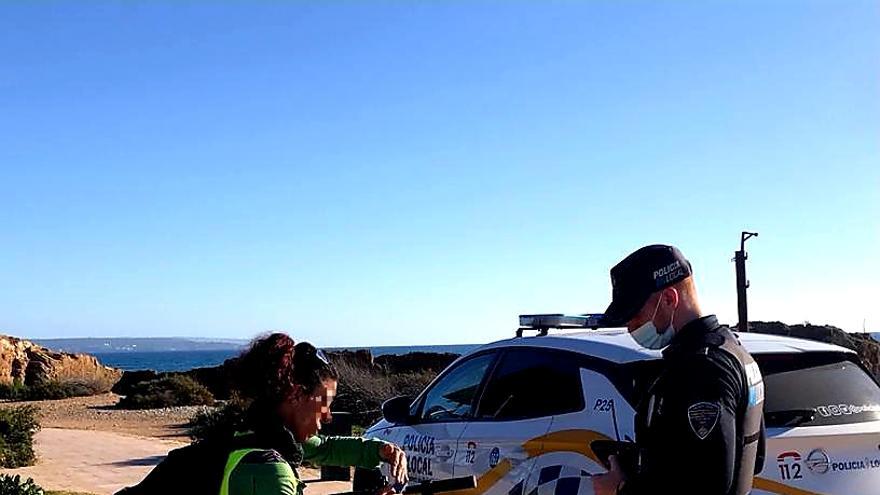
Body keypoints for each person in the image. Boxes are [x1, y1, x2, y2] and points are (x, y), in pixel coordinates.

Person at [117, 333, 407, 495]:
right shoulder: (266, 468)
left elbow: (324, 447)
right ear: (296, 395)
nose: (329, 415)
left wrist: (380, 450)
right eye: (324, 403)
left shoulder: (254, 428)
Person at [592, 245, 765, 495]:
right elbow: (752, 457)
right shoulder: (734, 351)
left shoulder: (702, 368)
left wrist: (619, 489)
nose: (630, 328)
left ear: (670, 299)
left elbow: (708, 484)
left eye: (635, 316)